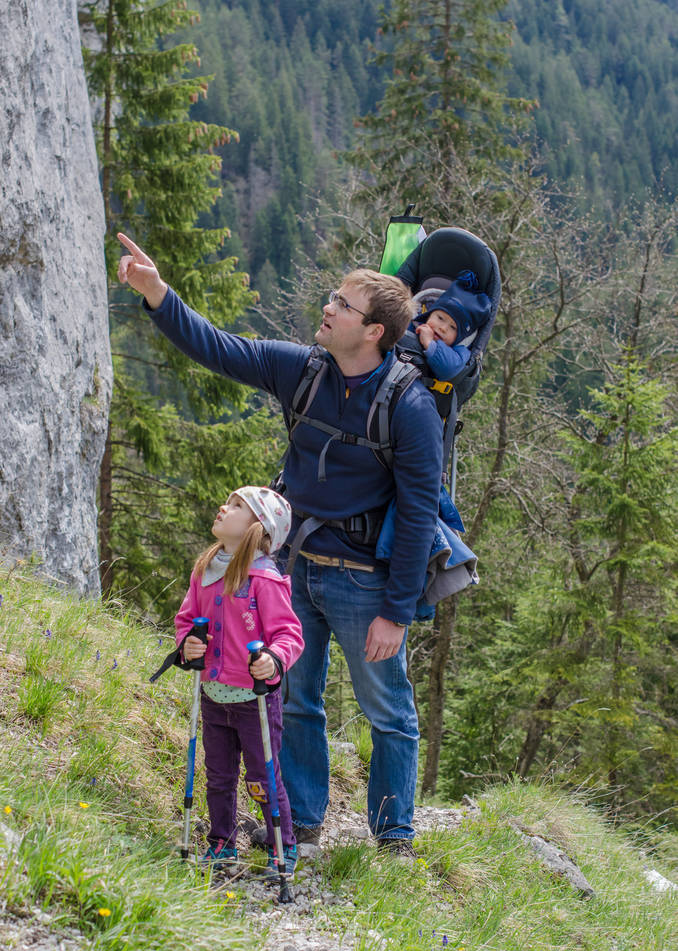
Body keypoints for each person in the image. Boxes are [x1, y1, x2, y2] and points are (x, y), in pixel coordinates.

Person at [117, 231, 443, 856]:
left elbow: (421, 511)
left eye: (343, 305)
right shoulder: (304, 370)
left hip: (362, 579)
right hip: (289, 571)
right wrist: (157, 293)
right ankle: (303, 821)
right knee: (291, 697)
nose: (329, 307)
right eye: (333, 297)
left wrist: (397, 612)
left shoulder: (409, 407)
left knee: (386, 709)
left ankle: (394, 834)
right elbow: (221, 348)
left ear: (373, 331)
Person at [175, 486, 304, 876]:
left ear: (257, 528)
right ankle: (221, 843)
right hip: (213, 694)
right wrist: (188, 646)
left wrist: (273, 659)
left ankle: (282, 845)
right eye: (228, 503)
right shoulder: (206, 571)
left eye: (236, 507)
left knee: (263, 775)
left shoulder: (264, 580)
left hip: (256, 700)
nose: (223, 508)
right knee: (219, 775)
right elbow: (186, 621)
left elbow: (289, 634)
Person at [413, 270, 491, 383]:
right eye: (440, 318)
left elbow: (449, 370)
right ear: (429, 313)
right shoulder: (413, 323)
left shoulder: (460, 352)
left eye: (453, 328)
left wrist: (429, 343)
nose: (443, 328)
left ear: (461, 337)